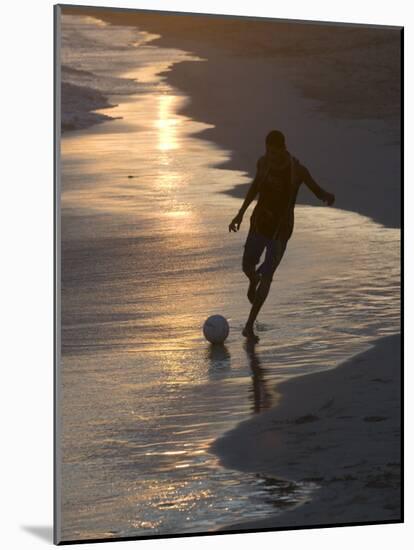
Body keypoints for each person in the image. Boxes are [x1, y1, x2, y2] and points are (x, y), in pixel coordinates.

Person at [229, 130, 335, 342]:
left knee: (267, 277)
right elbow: (254, 188)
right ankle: (253, 279)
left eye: (275, 153)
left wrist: (326, 196)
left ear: (283, 149)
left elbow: (316, 190)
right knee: (246, 266)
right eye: (268, 152)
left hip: (281, 231)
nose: (272, 157)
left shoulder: (297, 170)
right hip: (259, 223)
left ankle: (249, 326)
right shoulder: (263, 163)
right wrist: (240, 214)